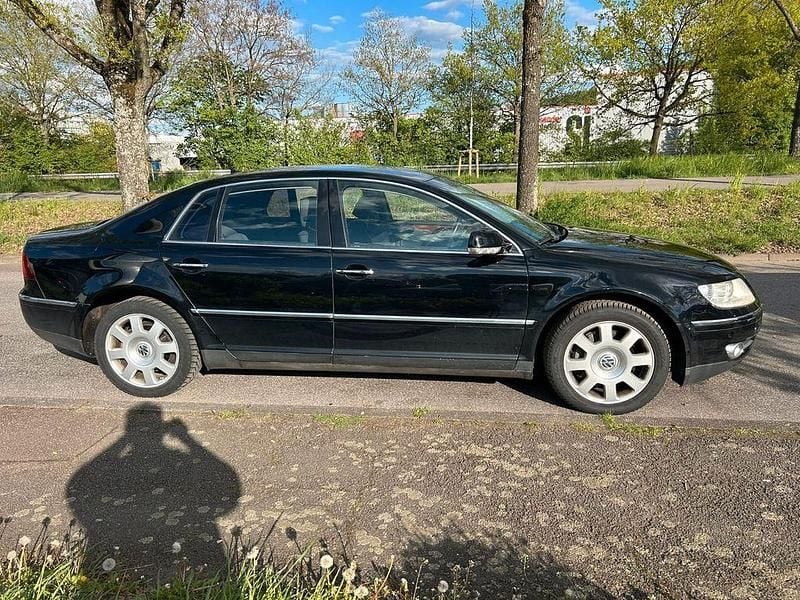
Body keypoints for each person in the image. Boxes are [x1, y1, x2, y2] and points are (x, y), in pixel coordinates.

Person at [66, 402, 241, 573]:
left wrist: (127, 438)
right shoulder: (178, 462)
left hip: (123, 552)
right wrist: (187, 440)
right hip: (195, 550)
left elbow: (82, 480)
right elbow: (227, 480)